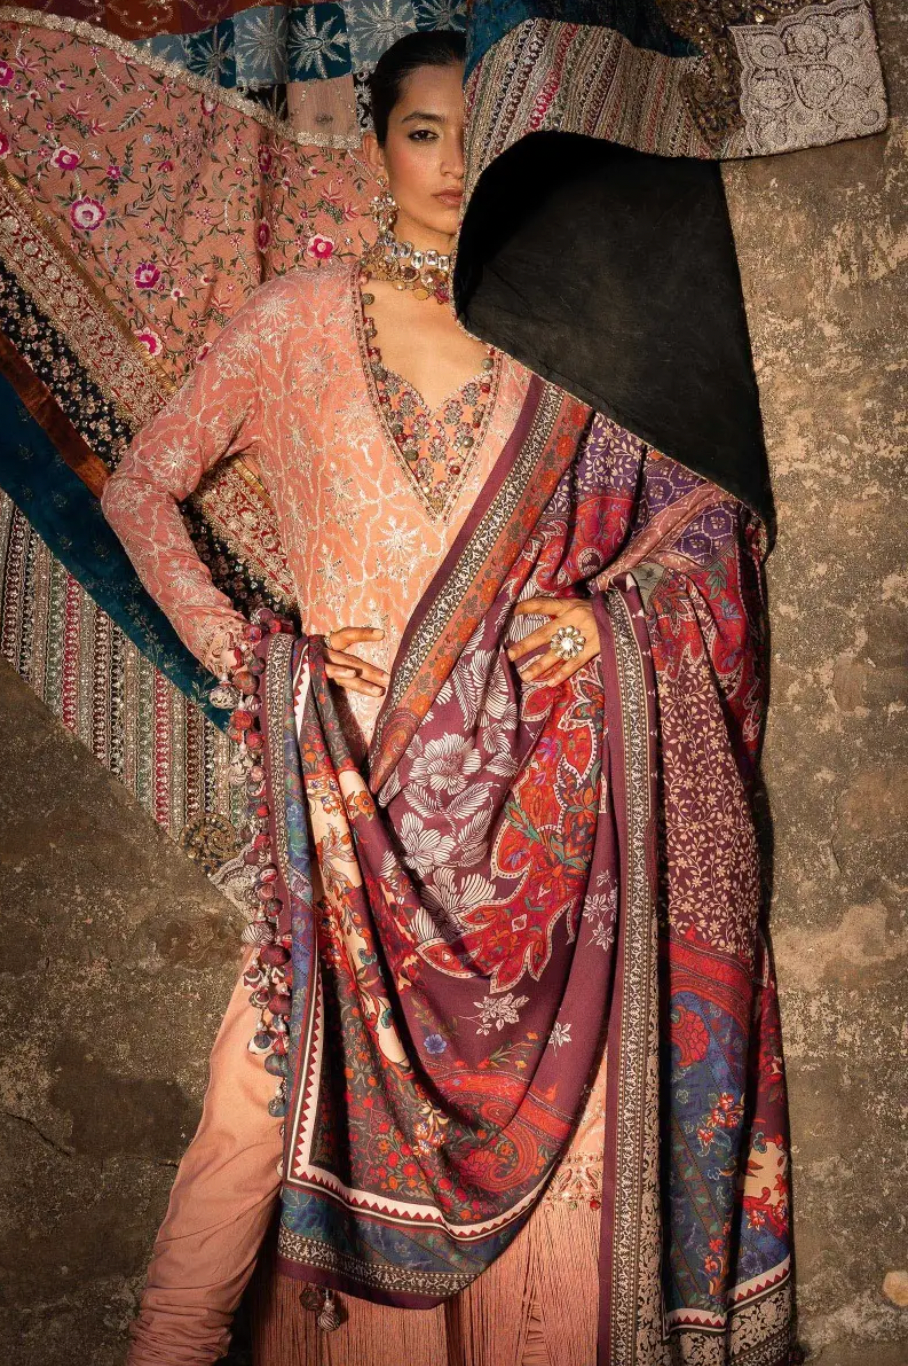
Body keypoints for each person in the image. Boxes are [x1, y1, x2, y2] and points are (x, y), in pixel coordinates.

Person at [103, 29, 793, 1366]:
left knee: (561, 1151)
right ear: (375, 148)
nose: (453, 160)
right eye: (424, 131)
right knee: (252, 1107)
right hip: (346, 790)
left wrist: (606, 626)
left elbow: (700, 524)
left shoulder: (564, 333)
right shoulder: (293, 320)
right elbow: (142, 490)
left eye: (477, 134)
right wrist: (250, 656)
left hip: (533, 822)